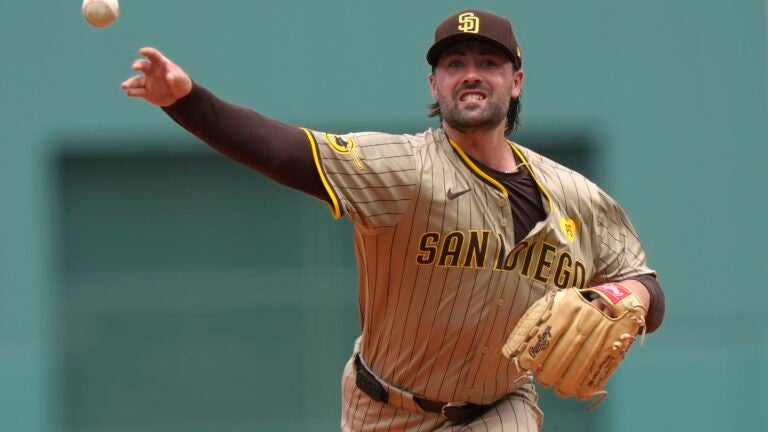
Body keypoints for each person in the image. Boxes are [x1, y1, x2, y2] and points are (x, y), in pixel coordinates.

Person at [122, 9, 665, 432]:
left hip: (498, 408)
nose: (471, 75)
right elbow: (284, 151)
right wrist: (187, 103)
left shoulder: (575, 196)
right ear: (434, 85)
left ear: (515, 81)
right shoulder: (403, 169)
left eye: (488, 63)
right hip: (382, 409)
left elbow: (644, 283)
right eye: (455, 64)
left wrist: (630, 299)